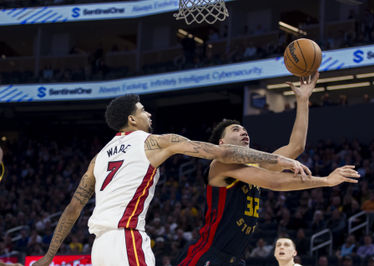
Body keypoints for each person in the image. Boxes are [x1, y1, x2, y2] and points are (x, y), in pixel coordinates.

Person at [33, 94, 310, 266]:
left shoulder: (99, 158)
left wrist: (48, 256)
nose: (148, 114)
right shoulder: (154, 141)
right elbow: (221, 151)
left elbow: (72, 209)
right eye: (143, 110)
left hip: (100, 249)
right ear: (132, 118)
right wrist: (279, 160)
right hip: (126, 239)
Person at [177, 73, 360, 265]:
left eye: (244, 129)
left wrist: (303, 100)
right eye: (235, 130)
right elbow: (275, 182)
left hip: (236, 259)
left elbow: (296, 147)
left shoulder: (257, 164)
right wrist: (324, 181)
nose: (243, 131)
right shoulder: (220, 164)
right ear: (222, 142)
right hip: (207, 255)